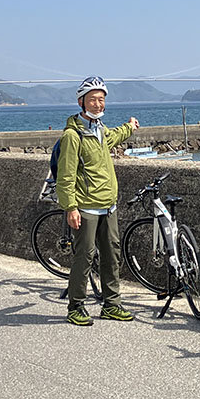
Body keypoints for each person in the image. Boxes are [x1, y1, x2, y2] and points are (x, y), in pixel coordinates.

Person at [56, 76, 140, 327]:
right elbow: (66, 175)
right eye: (92, 99)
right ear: (82, 102)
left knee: (112, 254)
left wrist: (129, 127)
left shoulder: (100, 129)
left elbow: (113, 136)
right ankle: (76, 306)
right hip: (86, 205)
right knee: (85, 256)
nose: (97, 103)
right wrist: (70, 207)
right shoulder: (73, 135)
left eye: (101, 99)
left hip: (108, 204)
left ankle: (111, 304)